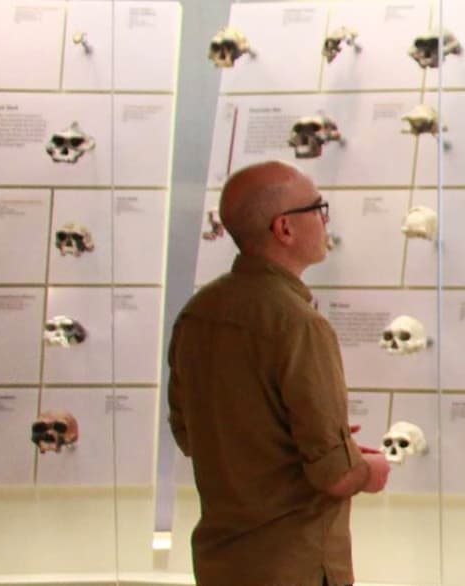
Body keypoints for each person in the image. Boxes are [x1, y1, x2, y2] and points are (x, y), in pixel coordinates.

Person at [167, 161, 390, 586]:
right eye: (318, 208)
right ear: (285, 229)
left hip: (222, 563)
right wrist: (368, 469)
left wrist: (286, 440)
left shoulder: (198, 313)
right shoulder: (299, 324)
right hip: (295, 564)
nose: (325, 221)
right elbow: (335, 475)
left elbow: (190, 434)